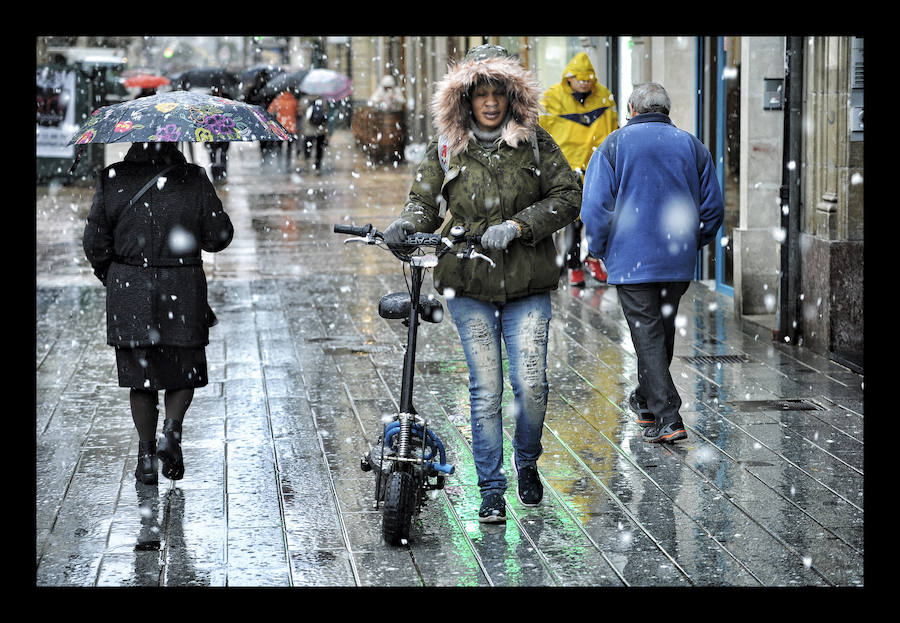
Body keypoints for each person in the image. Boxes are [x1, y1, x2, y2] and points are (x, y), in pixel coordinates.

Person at [383, 44, 581, 522]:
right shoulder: (447, 146)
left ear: (511, 97)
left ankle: (526, 461)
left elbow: (568, 195)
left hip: (528, 282)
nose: (490, 103)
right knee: (485, 389)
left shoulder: (535, 141)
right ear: (466, 100)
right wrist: (407, 223)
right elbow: (424, 199)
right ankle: (491, 489)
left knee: (530, 384)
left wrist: (518, 225)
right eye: (480, 94)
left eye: (498, 93)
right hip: (468, 283)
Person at [83, 141, 234, 484]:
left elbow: (94, 243)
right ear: (175, 142)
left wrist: (115, 276)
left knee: (142, 378)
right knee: (183, 370)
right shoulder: (192, 178)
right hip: (182, 288)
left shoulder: (112, 178)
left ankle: (146, 458)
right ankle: (171, 430)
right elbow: (219, 237)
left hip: (129, 290)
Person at [580, 82, 724, 443]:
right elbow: (713, 208)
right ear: (666, 110)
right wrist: (693, 241)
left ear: (631, 109)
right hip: (676, 260)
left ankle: (668, 416)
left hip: (632, 260)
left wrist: (599, 248)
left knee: (647, 334)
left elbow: (595, 209)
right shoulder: (691, 146)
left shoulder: (613, 146)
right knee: (661, 331)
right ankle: (646, 402)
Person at [540, 52, 618, 288]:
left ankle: (592, 257)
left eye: (588, 79)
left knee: (598, 216)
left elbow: (613, 131)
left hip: (596, 166)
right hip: (565, 168)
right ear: (569, 79)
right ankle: (574, 264)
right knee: (571, 220)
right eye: (579, 78)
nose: (584, 83)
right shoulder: (553, 98)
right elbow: (541, 134)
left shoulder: (603, 97)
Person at [267, 89, 299, 172]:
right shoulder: (294, 101)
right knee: (289, 148)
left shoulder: (277, 101)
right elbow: (298, 112)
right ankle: (288, 166)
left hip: (280, 127)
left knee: (279, 147)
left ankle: (279, 165)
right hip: (291, 127)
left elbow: (269, 112)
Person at [298, 93, 329, 173]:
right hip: (320, 129)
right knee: (319, 148)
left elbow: (300, 112)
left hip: (308, 129)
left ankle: (307, 164)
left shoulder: (304, 100)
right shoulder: (323, 100)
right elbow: (325, 113)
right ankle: (317, 167)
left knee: (308, 147)